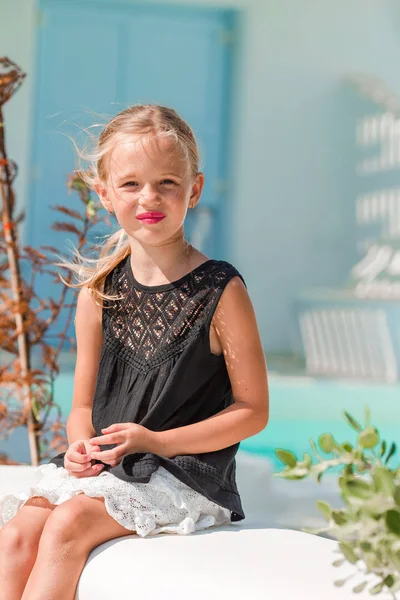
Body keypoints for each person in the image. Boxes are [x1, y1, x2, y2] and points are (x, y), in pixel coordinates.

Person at [0, 104, 269, 599]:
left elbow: (253, 412)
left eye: (167, 182)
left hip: (181, 473)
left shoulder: (220, 291)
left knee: (68, 524)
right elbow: (82, 407)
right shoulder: (99, 293)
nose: (150, 197)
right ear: (103, 193)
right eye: (130, 184)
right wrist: (81, 447)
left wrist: (157, 442)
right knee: (17, 531)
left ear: (195, 189)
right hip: (112, 468)